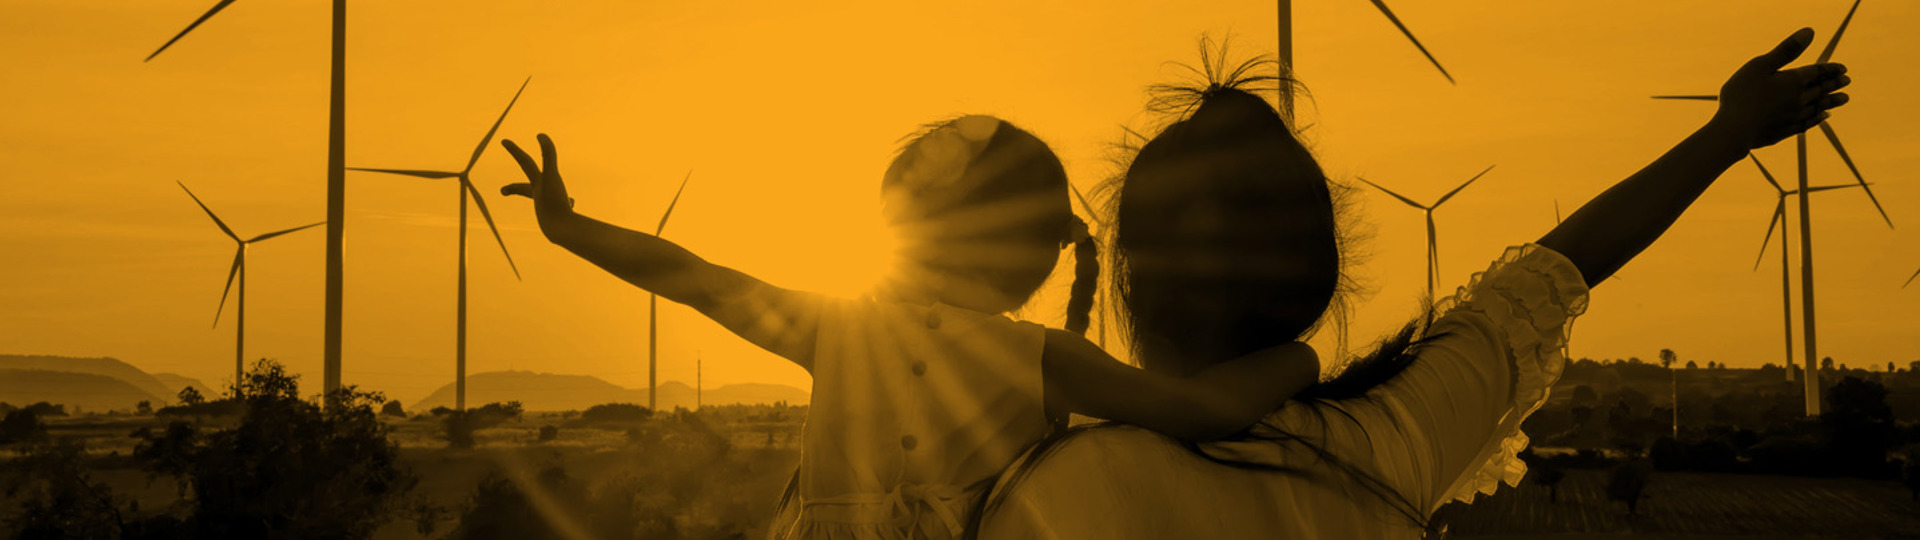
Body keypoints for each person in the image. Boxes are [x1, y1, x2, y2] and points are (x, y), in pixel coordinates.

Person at [976, 28, 1850, 539]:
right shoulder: (1387, 434)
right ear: (1319, 274)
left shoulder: (1044, 490)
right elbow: (1565, 264)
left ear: (1124, 270)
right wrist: (1728, 132)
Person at [496, 115, 1322, 539]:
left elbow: (691, 278)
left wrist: (570, 228)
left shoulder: (838, 328)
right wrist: (1298, 359)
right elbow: (1206, 412)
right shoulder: (1045, 357)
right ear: (1034, 256)